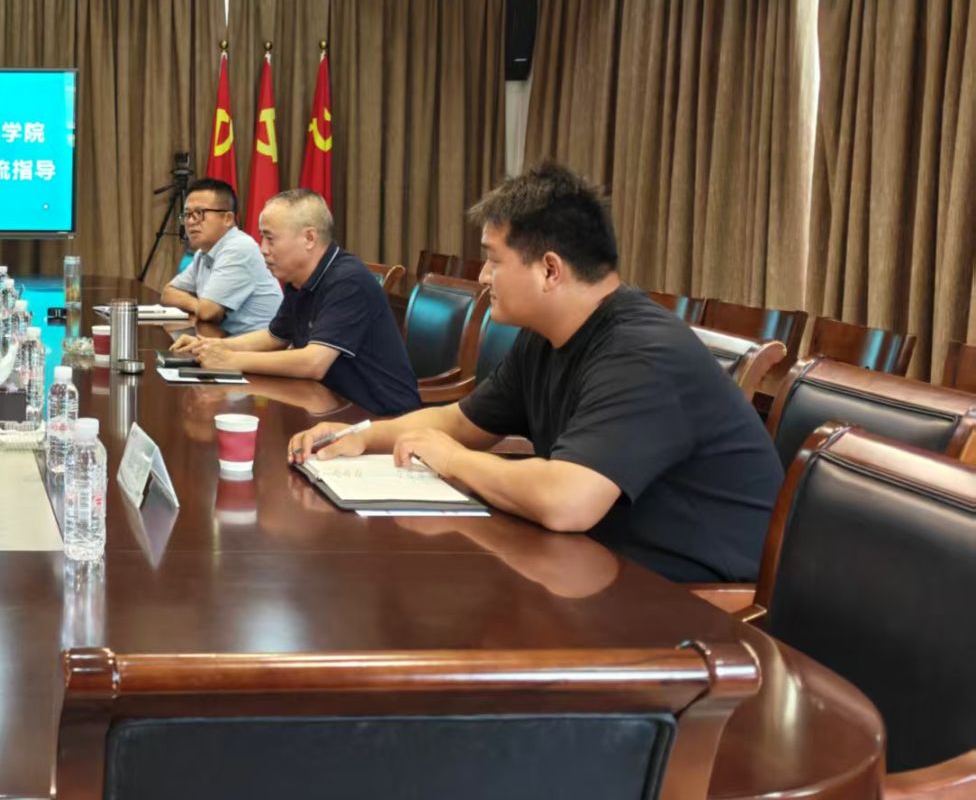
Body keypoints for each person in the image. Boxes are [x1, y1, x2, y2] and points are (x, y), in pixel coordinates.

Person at [287, 162, 782, 583]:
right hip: (593, 567)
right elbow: (460, 422)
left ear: (549, 269)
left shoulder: (643, 352)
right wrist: (360, 436)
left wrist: (453, 460)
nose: (483, 277)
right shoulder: (546, 336)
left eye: (492, 260)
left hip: (691, 603)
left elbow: (568, 501)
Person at [171, 188, 420, 416]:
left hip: (381, 416)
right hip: (330, 405)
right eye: (262, 238)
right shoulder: (299, 279)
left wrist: (230, 360)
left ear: (309, 238)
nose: (263, 249)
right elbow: (274, 337)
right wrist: (212, 346)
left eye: (270, 239)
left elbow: (314, 362)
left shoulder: (348, 281)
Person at [159, 177, 281, 335]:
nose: (190, 221)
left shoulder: (238, 248)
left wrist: (201, 307)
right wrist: (198, 305)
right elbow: (168, 292)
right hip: (228, 340)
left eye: (199, 213)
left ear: (228, 219)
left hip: (261, 347)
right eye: (187, 214)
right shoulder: (203, 253)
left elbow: (209, 312)